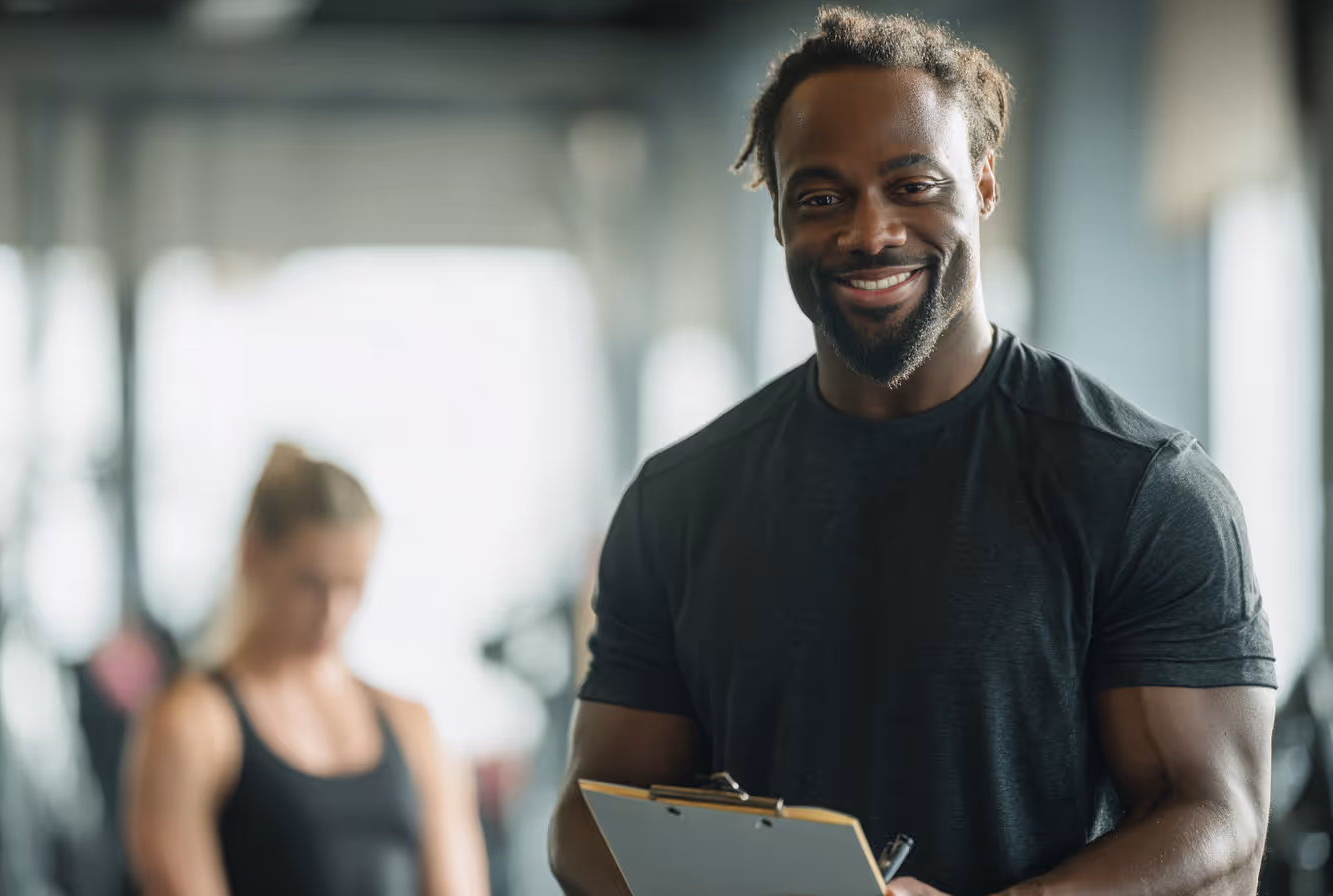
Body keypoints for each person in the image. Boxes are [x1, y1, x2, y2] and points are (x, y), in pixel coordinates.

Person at [548, 8, 1276, 896]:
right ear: (779, 220)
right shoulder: (678, 501)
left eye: (913, 186)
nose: (869, 231)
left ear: (984, 187)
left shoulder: (1140, 489)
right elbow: (590, 815)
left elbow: (1219, 826)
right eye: (820, 197)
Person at [124, 443, 489, 896]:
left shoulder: (412, 728)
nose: (333, 612)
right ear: (253, 554)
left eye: (352, 585)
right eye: (310, 583)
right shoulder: (192, 725)